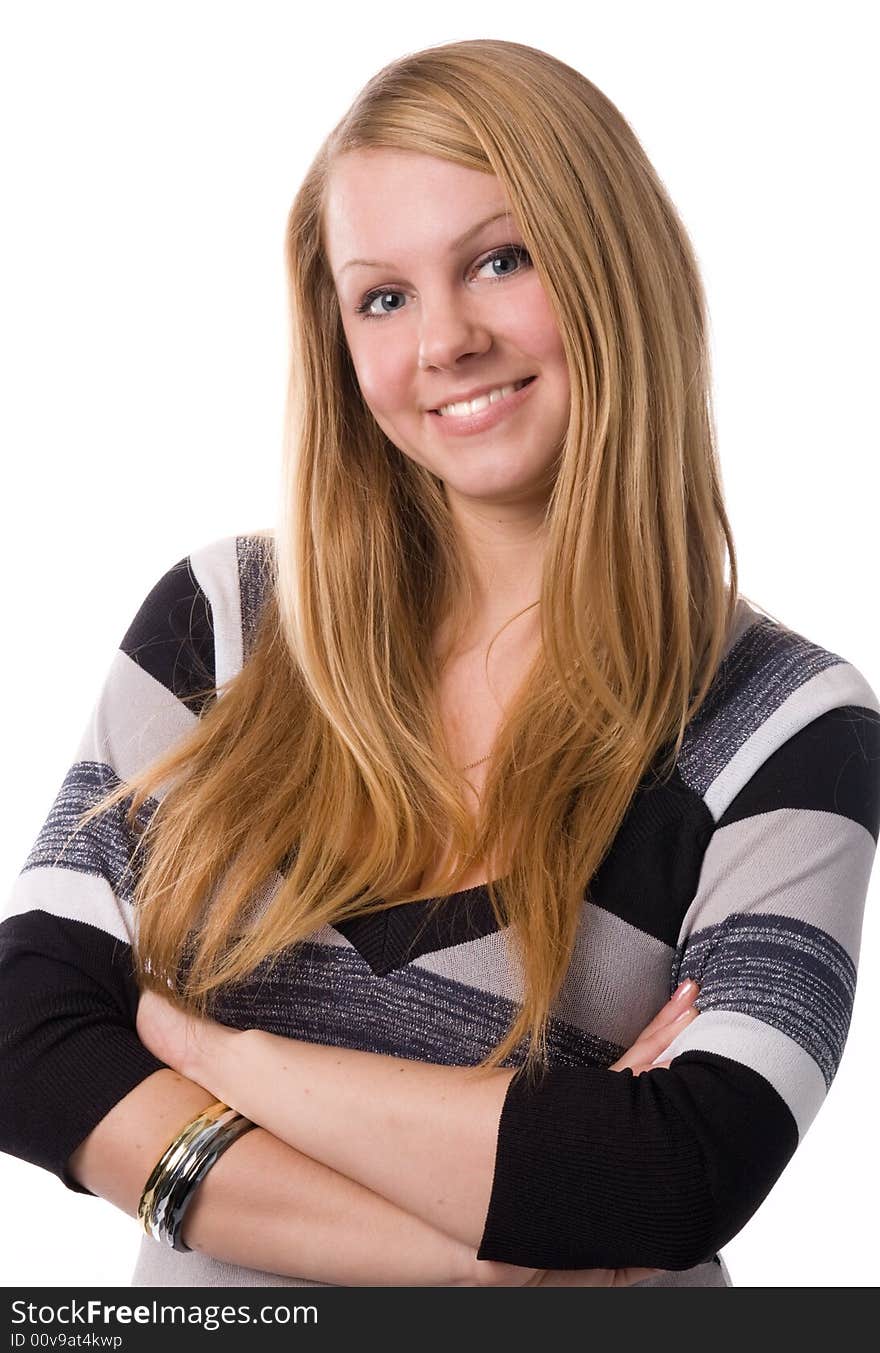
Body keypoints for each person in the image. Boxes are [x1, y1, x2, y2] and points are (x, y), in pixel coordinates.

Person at [1, 37, 878, 1290]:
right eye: (384, 296)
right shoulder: (223, 628)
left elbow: (674, 1172)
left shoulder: (786, 726)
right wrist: (489, 1264)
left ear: (614, 270)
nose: (445, 340)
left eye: (499, 261)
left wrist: (216, 1059)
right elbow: (28, 1036)